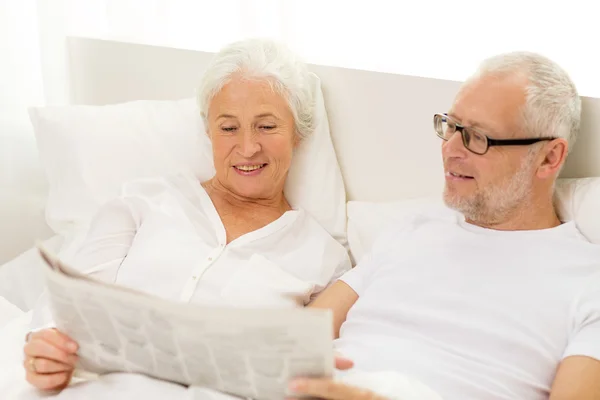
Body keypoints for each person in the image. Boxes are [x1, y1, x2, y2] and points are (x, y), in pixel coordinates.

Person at [22, 38, 351, 393]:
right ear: (209, 132)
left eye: (267, 126)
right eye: (228, 128)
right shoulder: (146, 202)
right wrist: (46, 349)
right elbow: (70, 304)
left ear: (297, 134)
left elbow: (313, 367)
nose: (247, 147)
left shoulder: (325, 259)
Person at [292, 52, 600, 399]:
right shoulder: (413, 231)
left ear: (548, 157)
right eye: (451, 127)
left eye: (478, 137)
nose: (451, 149)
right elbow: (295, 343)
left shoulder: (589, 282)